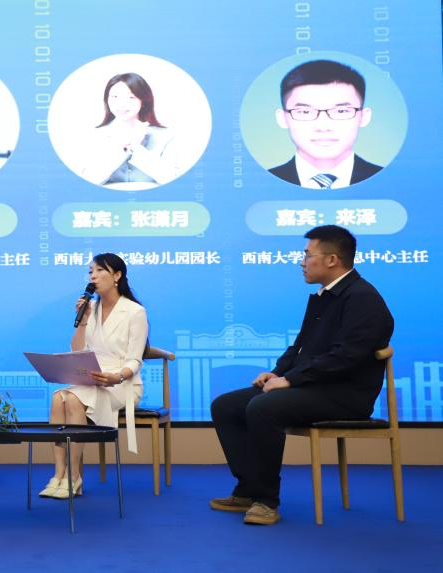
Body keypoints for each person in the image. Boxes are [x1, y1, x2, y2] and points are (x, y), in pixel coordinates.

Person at [210, 225, 393, 525]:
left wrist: (291, 380)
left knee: (262, 407)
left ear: (332, 259)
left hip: (344, 395)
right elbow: (300, 346)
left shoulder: (363, 298)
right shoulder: (326, 296)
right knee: (226, 406)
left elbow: (345, 357)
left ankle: (266, 501)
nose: (302, 262)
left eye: (307, 255)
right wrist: (276, 373)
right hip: (312, 387)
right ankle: (248, 489)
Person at [40, 253, 148, 499]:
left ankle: (74, 477)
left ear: (117, 275)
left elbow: (135, 360)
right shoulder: (91, 309)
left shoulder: (135, 312)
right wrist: (83, 321)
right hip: (90, 381)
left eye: (100, 271)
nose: (93, 276)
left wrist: (117, 377)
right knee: (58, 397)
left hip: (121, 383)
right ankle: (58, 474)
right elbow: (77, 351)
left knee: (73, 399)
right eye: (91, 271)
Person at [270, 60, 381, 189]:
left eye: (341, 111)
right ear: (282, 118)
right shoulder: (263, 184)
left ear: (363, 117)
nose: (323, 127)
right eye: (305, 112)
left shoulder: (392, 181)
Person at [80, 73, 178, 190]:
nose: (121, 104)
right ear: (107, 100)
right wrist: (123, 148)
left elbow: (172, 180)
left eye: (131, 97)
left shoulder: (165, 136)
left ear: (143, 101)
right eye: (115, 97)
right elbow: (90, 180)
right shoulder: (95, 135)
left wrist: (136, 147)